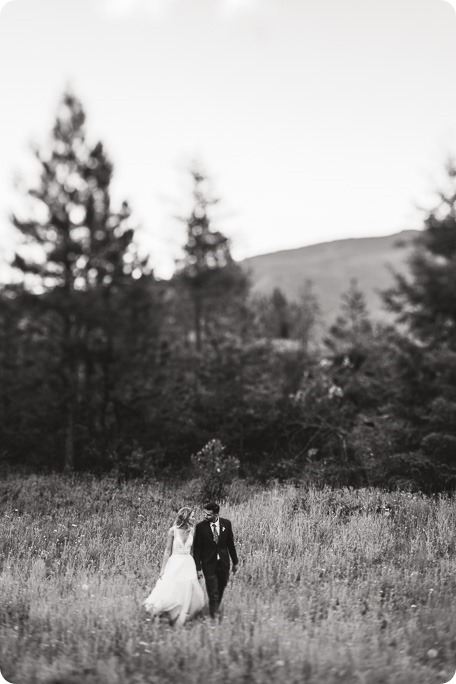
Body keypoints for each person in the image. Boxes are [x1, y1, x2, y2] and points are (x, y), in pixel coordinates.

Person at [144, 507, 205, 625]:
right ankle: (165, 612)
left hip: (188, 563)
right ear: (185, 517)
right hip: (175, 562)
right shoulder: (173, 531)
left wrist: (199, 569)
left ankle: (182, 614)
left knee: (189, 590)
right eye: (192, 516)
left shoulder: (192, 530)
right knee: (172, 588)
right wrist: (162, 569)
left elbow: (195, 551)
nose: (194, 518)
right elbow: (167, 550)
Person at [192, 502, 239, 619]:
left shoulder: (226, 524)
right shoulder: (200, 527)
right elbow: (197, 550)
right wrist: (198, 568)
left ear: (216, 514)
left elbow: (230, 544)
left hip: (223, 564)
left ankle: (215, 609)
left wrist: (235, 562)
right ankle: (214, 617)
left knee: (221, 588)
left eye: (208, 515)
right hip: (208, 564)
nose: (205, 516)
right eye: (204, 513)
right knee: (213, 592)